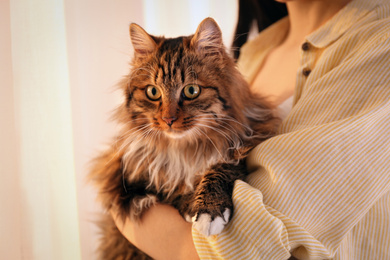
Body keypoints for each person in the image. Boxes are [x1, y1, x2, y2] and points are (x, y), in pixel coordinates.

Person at [112, 0, 390, 259]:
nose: (169, 115)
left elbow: (233, 248)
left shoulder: (379, 42)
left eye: (191, 91)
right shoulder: (258, 45)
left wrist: (121, 207)